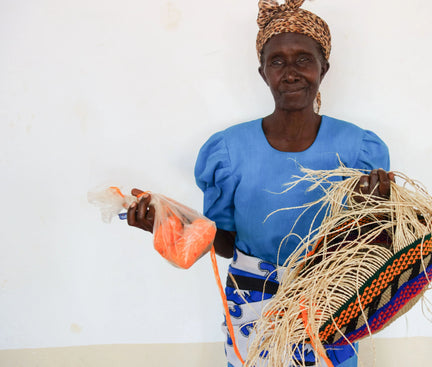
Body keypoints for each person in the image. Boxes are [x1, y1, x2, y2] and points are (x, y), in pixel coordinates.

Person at [128, 1, 393, 366]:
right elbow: (223, 243)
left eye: (303, 59)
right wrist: (166, 221)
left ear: (323, 68)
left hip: (330, 311)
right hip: (251, 313)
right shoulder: (229, 151)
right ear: (262, 71)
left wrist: (377, 214)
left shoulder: (358, 149)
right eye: (277, 61)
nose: (291, 73)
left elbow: (373, 249)